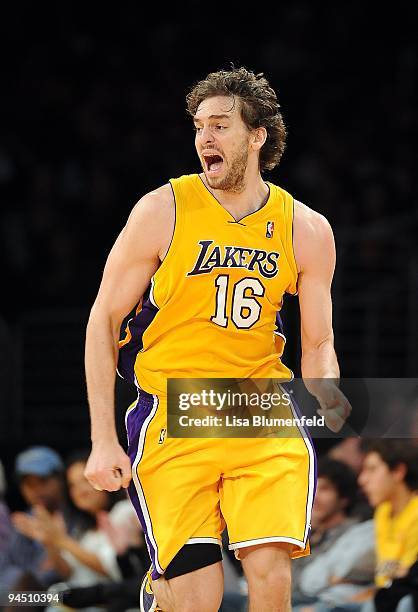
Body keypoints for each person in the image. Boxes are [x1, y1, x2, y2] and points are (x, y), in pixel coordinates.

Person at [84, 66, 351, 612]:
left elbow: (318, 342)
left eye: (221, 125)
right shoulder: (162, 210)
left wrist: (327, 389)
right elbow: (103, 321)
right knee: (199, 600)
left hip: (257, 406)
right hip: (174, 410)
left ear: (257, 136)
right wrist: (102, 439)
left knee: (269, 575)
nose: (205, 137)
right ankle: (164, 593)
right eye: (199, 125)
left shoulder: (307, 229)